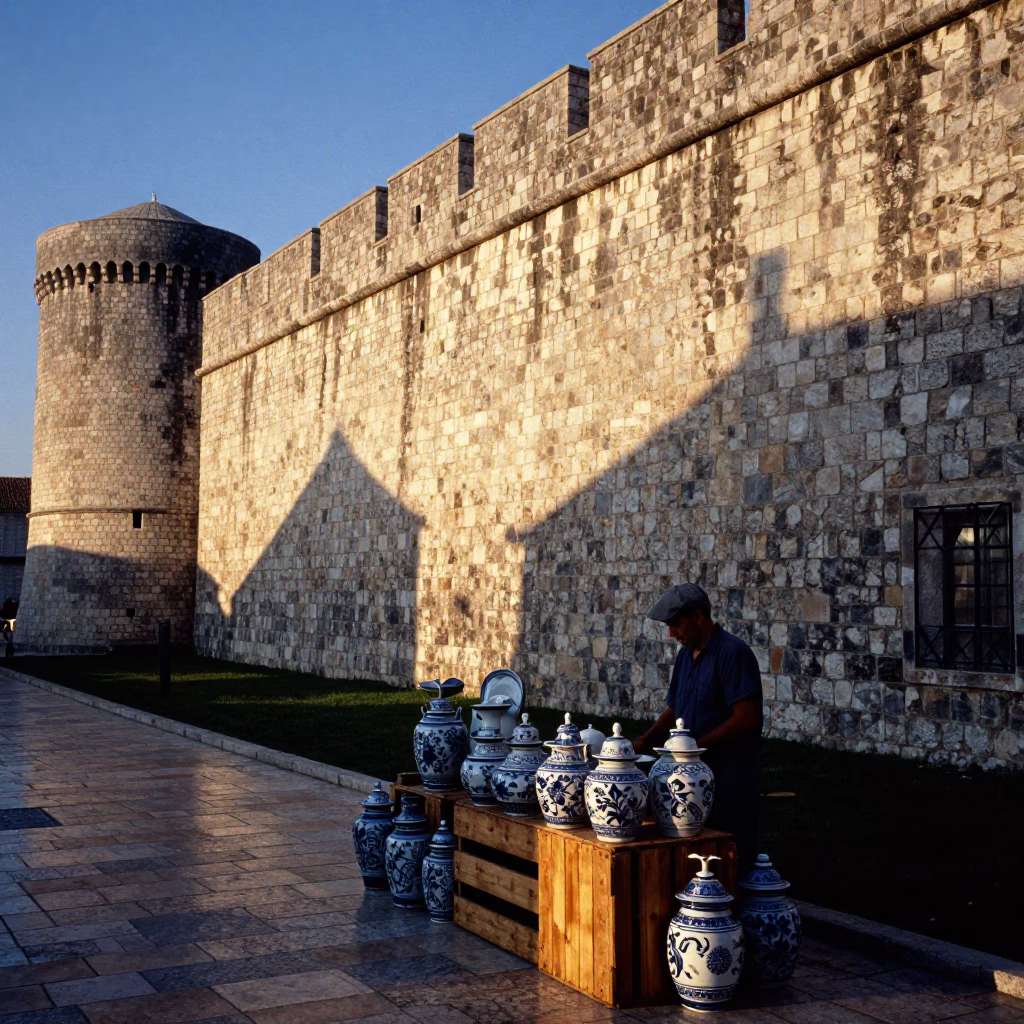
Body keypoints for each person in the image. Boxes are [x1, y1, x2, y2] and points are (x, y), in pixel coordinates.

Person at [634, 583, 762, 873]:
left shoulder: (733, 654)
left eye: (676, 625)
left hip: (728, 776)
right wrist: (642, 742)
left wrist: (697, 747)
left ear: (699, 617)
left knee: (728, 854)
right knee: (690, 853)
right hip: (690, 776)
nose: (671, 634)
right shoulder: (685, 655)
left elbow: (746, 718)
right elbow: (674, 709)